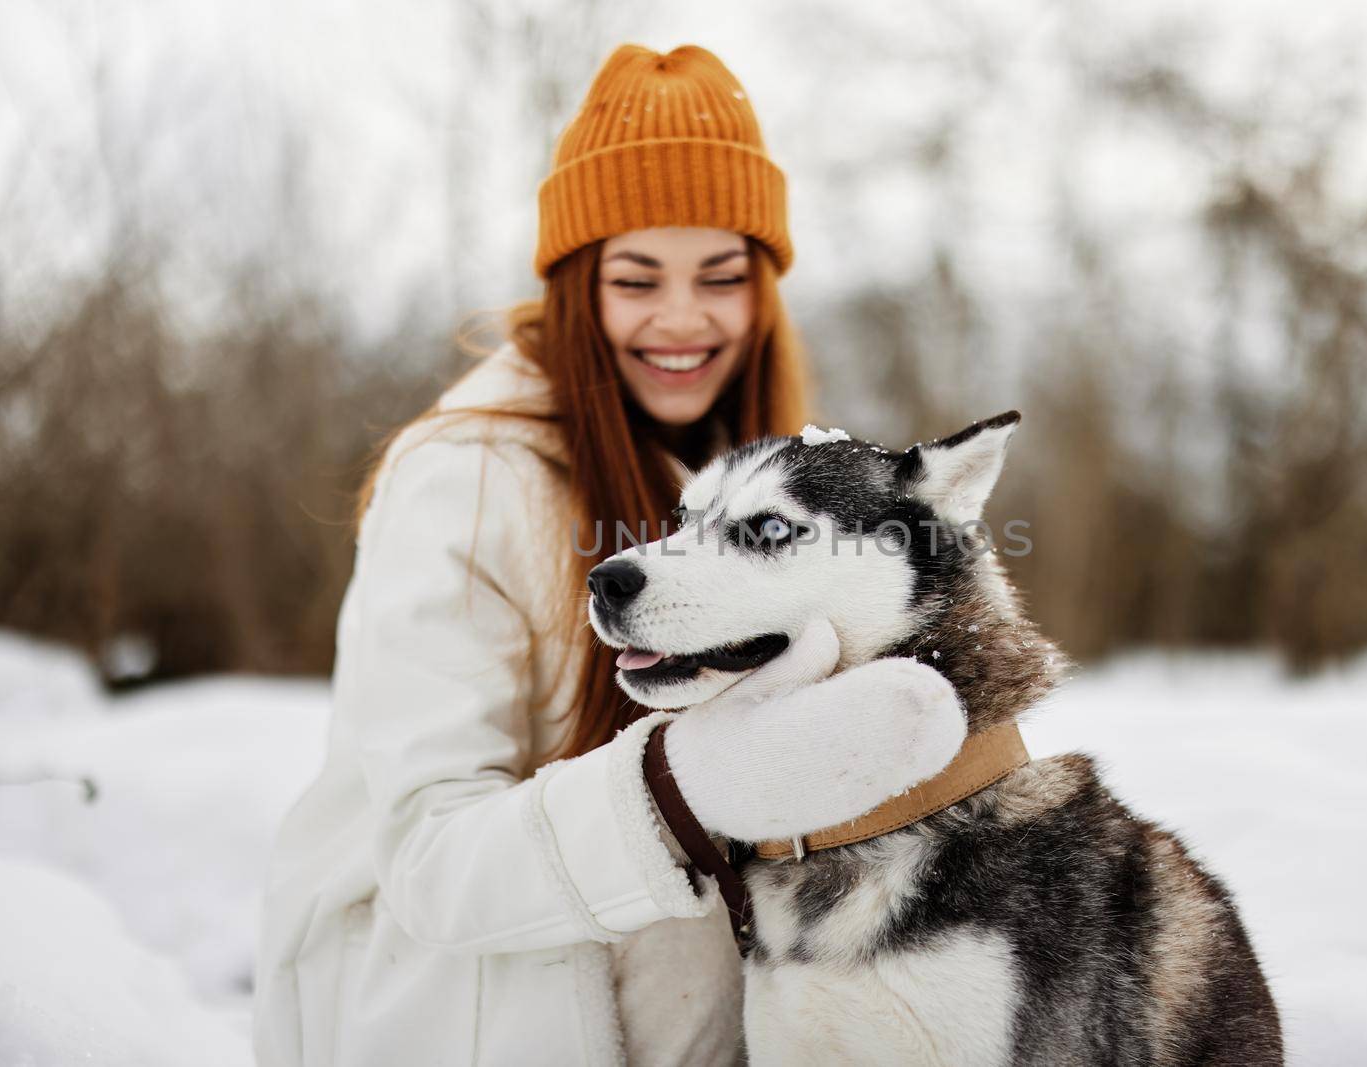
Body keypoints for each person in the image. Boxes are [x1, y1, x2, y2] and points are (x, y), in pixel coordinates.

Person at [250, 43, 968, 1067]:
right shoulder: (464, 480)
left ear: (763, 293)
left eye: (721, 277)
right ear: (578, 286)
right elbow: (426, 862)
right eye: (637, 278)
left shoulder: (749, 479)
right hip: (475, 1026)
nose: (682, 319)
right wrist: (681, 790)